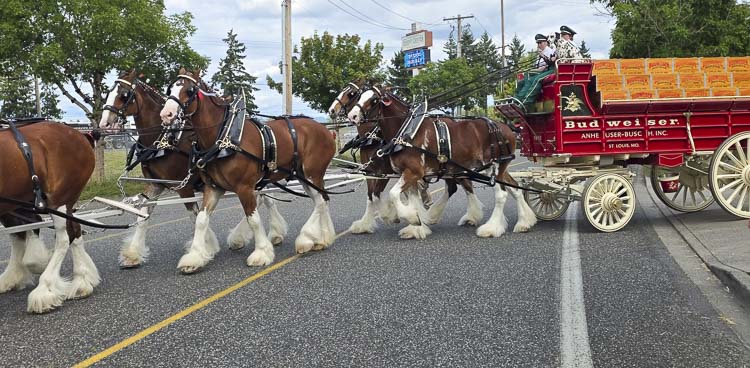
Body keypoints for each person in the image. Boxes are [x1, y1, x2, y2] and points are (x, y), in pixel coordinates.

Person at [513, 33, 557, 111]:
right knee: (521, 82)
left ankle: (524, 101)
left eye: (541, 43)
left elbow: (545, 66)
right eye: (538, 43)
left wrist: (530, 70)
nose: (539, 45)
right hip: (541, 71)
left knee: (529, 75)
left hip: (546, 71)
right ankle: (516, 98)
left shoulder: (549, 51)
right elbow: (537, 66)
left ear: (546, 42)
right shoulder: (540, 53)